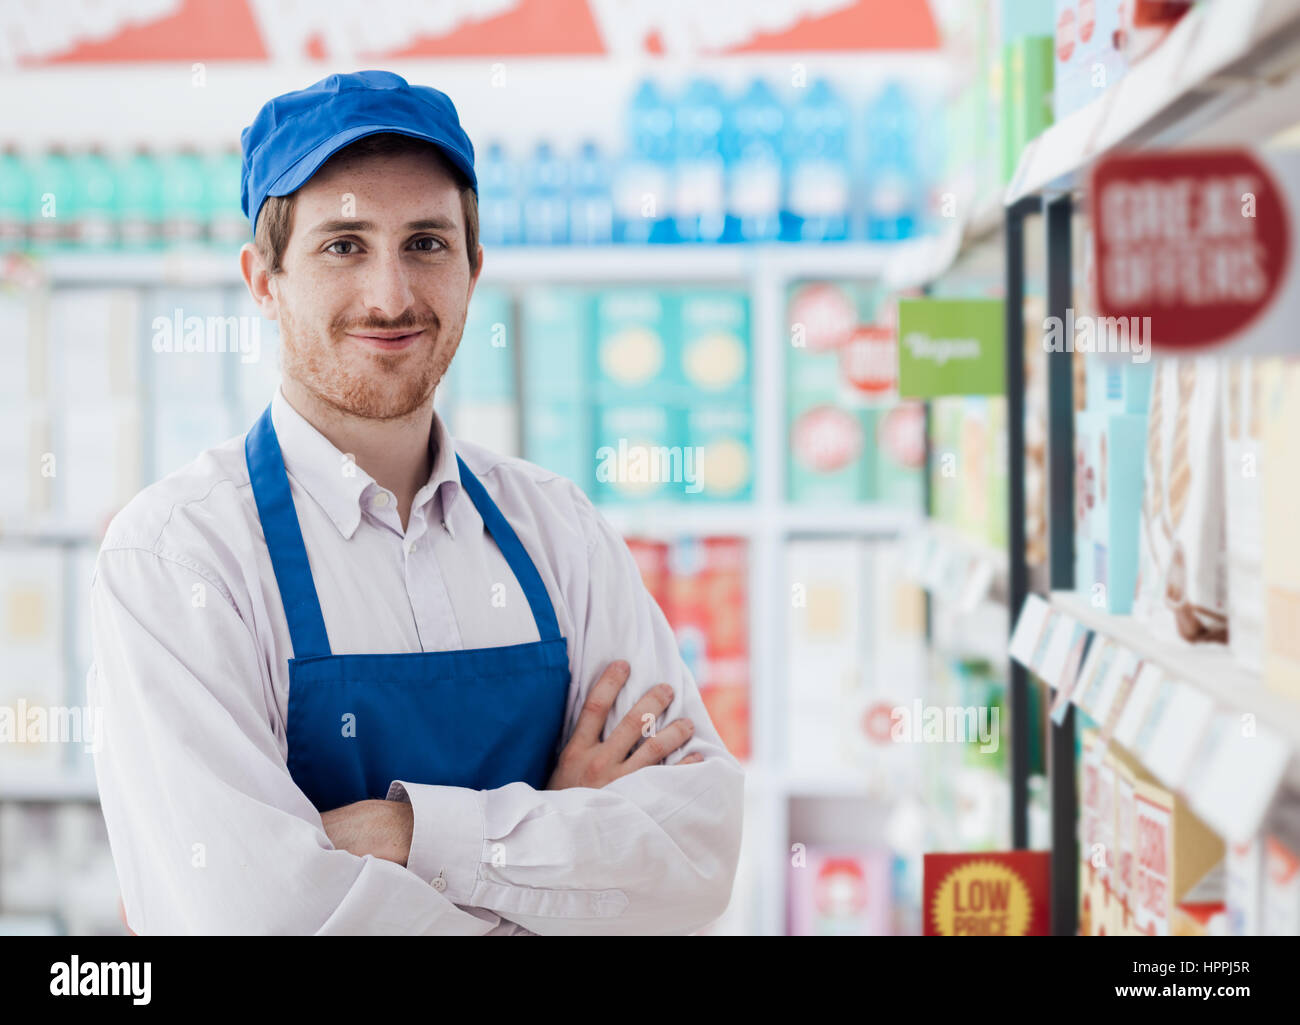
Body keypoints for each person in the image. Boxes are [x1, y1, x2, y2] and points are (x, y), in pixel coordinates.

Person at [89, 70, 744, 935]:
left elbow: (696, 857)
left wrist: (401, 834)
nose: (391, 296)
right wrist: (555, 842)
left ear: (473, 269)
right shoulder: (179, 559)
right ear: (264, 280)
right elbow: (248, 918)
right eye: (343, 245)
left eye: (426, 243)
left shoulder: (560, 531)